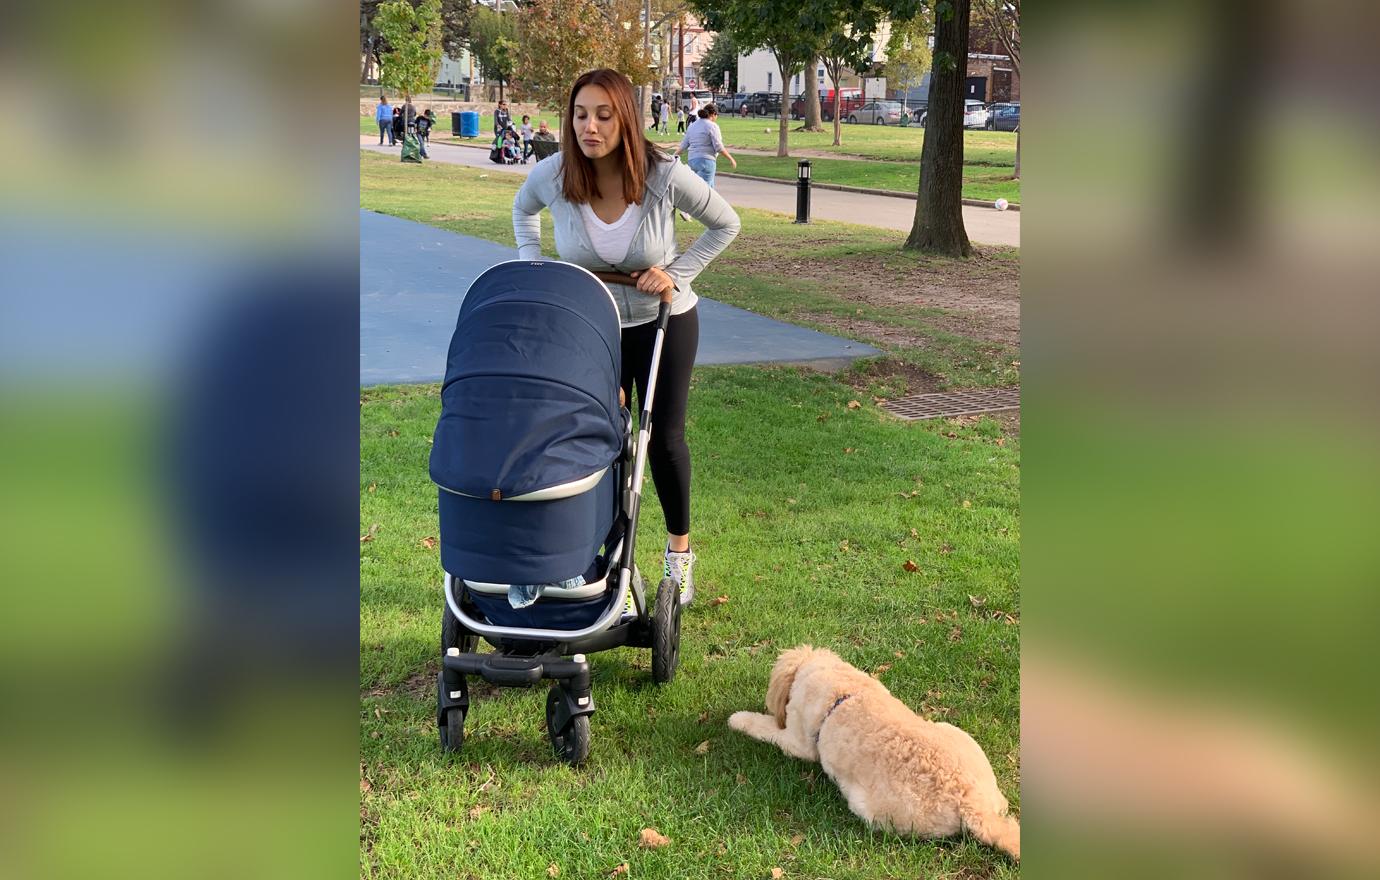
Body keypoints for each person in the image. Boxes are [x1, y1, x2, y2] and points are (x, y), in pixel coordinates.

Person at [512, 68, 740, 604]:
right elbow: (523, 213)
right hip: (593, 325)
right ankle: (601, 546)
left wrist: (677, 273)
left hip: (665, 321)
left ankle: (678, 556)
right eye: (581, 114)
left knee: (662, 438)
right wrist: (535, 268)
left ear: (625, 119)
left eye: (604, 115)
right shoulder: (557, 174)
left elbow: (725, 223)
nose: (590, 126)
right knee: (597, 436)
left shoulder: (662, 173)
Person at [677, 104, 736, 190]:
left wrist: (673, 156)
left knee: (708, 191)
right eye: (717, 115)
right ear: (713, 114)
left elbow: (683, 146)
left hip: (692, 161)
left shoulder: (692, 126)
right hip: (706, 162)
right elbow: (718, 146)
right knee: (703, 192)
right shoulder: (712, 126)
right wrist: (731, 158)